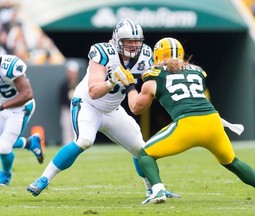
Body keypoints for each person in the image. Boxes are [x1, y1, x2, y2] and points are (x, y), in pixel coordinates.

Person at [115, 37, 255, 204]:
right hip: (213, 122)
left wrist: (130, 87)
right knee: (232, 161)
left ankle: (158, 190)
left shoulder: (153, 78)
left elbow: (136, 108)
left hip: (187, 125)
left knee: (145, 154)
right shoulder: (198, 72)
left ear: (157, 56)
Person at [27, 19, 179, 198]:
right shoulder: (103, 52)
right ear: (116, 40)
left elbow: (156, 82)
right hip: (88, 105)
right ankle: (43, 179)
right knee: (84, 140)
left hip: (113, 109)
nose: (133, 45)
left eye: (136, 41)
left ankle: (152, 189)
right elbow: (93, 91)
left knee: (140, 148)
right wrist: (111, 81)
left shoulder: (146, 55)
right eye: (128, 41)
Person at [0, 53, 44, 186]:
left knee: (3, 147)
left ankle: (6, 174)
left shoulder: (8, 65)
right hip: (2, 106)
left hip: (20, 108)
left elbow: (27, 94)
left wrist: (2, 106)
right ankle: (30, 143)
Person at [59, 60, 79, 145]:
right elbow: (62, 100)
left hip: (78, 109)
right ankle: (67, 146)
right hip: (67, 110)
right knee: (67, 128)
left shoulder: (80, 83)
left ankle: (77, 144)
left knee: (77, 128)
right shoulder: (64, 84)